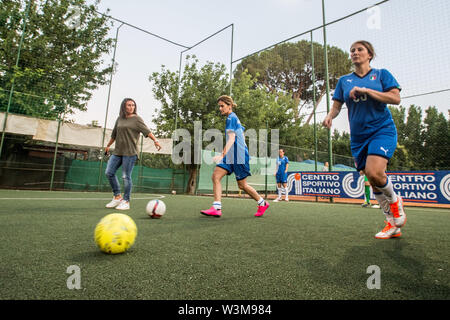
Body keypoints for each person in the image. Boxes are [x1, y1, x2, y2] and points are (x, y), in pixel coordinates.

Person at [322, 40, 406, 239]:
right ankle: (391, 224)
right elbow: (336, 106)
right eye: (352, 50)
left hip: (381, 130)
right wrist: (329, 116)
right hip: (359, 137)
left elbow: (395, 98)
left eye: (359, 49)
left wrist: (367, 91)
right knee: (372, 180)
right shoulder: (344, 81)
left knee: (374, 172)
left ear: (369, 54)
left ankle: (395, 202)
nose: (355, 52)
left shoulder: (382, 74)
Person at [200, 95, 270, 218]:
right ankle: (216, 208)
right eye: (219, 106)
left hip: (239, 155)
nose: (220, 108)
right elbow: (239, 132)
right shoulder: (233, 118)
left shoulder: (231, 118)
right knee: (216, 176)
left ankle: (262, 203)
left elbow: (232, 139)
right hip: (231, 155)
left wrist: (222, 155)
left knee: (242, 185)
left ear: (229, 106)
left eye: (222, 106)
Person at [104, 98, 161, 210]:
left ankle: (126, 201)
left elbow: (147, 131)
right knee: (109, 172)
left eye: (133, 105)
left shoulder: (137, 119)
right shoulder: (119, 119)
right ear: (123, 107)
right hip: (118, 151)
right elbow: (114, 134)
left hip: (130, 152)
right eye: (128, 105)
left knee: (126, 176)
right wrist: (108, 145)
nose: (131, 107)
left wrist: (155, 140)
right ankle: (117, 197)